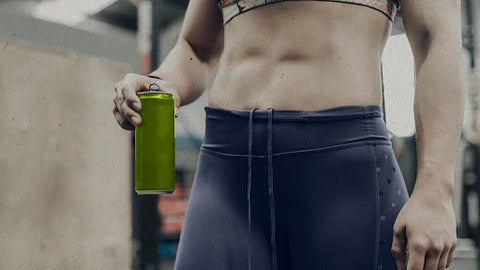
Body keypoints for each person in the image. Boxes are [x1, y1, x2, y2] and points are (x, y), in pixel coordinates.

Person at [113, 0, 464, 269]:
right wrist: (160, 82)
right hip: (227, 173)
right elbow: (195, 47)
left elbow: (436, 37)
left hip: (342, 177)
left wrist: (435, 192)